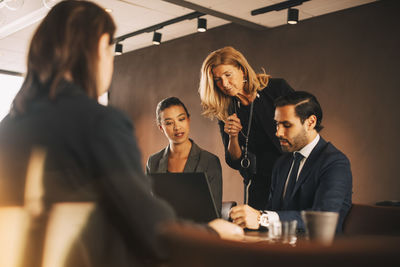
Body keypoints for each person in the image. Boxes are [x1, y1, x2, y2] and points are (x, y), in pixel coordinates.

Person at [0, 1, 243, 266]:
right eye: (110, 50)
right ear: (99, 48)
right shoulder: (99, 122)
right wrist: (211, 233)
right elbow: (150, 229)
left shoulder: (8, 129)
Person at [229, 91, 353, 233]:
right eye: (277, 124)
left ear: (310, 122)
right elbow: (273, 212)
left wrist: (261, 219)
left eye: (287, 125)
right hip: (280, 248)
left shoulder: (335, 163)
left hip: (320, 253)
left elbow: (322, 218)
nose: (278, 133)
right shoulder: (282, 163)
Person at [199, 46, 294, 210]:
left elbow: (305, 126)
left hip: (292, 175)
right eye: (217, 79)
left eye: (228, 75)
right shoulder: (227, 110)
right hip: (261, 184)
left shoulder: (276, 88)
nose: (225, 84)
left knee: (294, 229)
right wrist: (233, 137)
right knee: (256, 232)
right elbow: (234, 160)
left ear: (242, 70)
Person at [146, 97, 223, 213]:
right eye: (169, 123)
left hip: (198, 229)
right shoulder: (153, 162)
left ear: (188, 120)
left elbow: (214, 212)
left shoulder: (209, 161)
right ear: (161, 127)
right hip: (164, 228)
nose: (177, 127)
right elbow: (150, 207)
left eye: (181, 119)